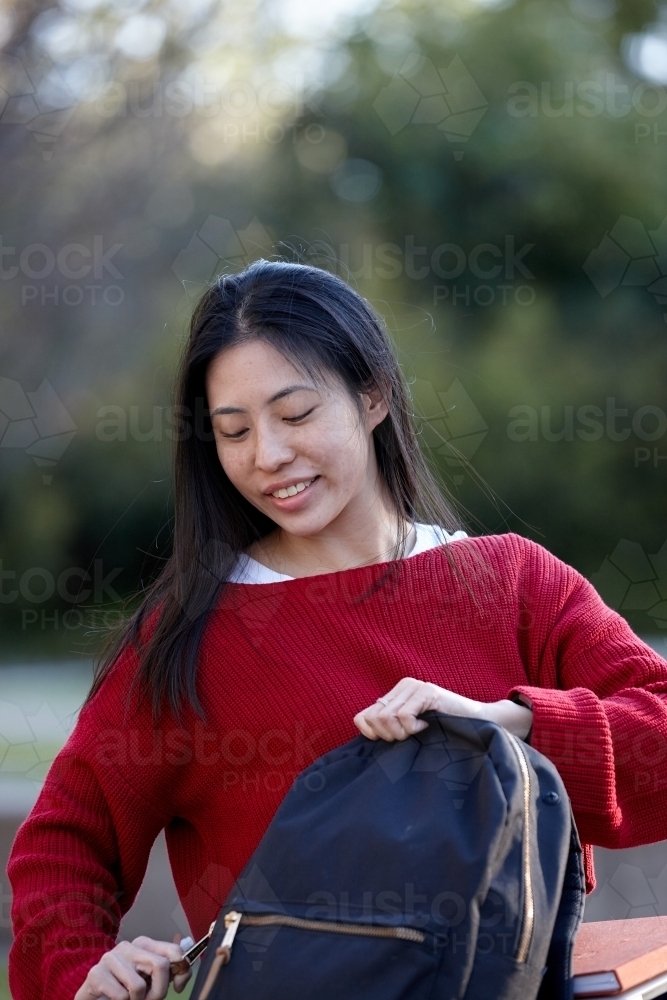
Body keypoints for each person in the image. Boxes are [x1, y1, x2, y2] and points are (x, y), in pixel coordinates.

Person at [8, 261, 667, 1000]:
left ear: (373, 394)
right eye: (233, 431)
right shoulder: (185, 637)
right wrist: (79, 973)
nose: (267, 456)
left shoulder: (514, 583)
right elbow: (65, 845)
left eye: (294, 415)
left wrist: (507, 723)